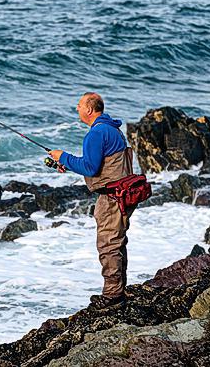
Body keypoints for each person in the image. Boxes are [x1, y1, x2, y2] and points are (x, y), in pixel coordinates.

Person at [49, 92, 133, 310]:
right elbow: (96, 164)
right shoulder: (111, 129)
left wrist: (63, 157)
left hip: (112, 197)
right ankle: (118, 290)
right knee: (117, 242)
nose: (76, 108)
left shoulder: (96, 133)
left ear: (89, 109)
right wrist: (69, 163)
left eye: (79, 105)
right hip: (123, 194)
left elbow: (90, 168)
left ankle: (113, 296)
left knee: (108, 244)